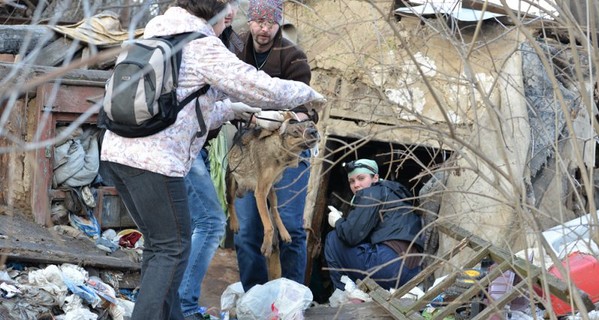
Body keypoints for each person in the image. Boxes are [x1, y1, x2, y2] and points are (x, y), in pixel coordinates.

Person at [99, 0, 324, 319]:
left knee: (162, 247)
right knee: (172, 248)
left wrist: (231, 110)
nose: (233, 18)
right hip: (154, 161)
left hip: (117, 152)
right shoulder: (201, 44)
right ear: (214, 12)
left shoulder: (158, 32)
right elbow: (256, 86)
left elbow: (181, 105)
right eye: (229, 11)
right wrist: (307, 95)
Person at [232, 0, 317, 291]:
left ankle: (292, 297)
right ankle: (254, 296)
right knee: (246, 232)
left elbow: (307, 107)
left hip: (287, 151)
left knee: (291, 227)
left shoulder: (293, 56)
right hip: (249, 150)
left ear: (278, 23)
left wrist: (283, 116)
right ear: (250, 21)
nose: (263, 29)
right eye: (258, 21)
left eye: (270, 23)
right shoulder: (236, 48)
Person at [177, 1, 244, 319]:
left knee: (188, 227)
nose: (230, 9)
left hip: (197, 145)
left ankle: (176, 304)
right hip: (182, 145)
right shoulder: (198, 40)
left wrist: (233, 108)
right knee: (211, 222)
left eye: (235, 3)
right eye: (225, 2)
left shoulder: (230, 41)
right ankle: (185, 306)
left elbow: (210, 107)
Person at [324, 159, 424, 290]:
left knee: (333, 238)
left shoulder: (372, 193)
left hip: (390, 265)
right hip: (412, 272)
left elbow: (351, 236)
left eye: (361, 178)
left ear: (375, 177)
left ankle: (345, 292)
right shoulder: (394, 194)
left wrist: (338, 221)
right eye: (352, 181)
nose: (356, 184)